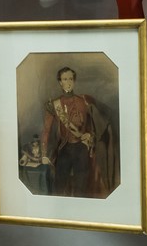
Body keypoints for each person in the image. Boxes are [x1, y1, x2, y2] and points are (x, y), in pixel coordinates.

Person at [40, 67, 112, 197]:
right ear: (60, 82)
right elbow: (46, 130)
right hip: (64, 149)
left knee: (82, 187)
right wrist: (44, 154)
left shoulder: (83, 101)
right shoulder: (54, 105)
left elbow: (92, 126)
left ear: (74, 81)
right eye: (65, 79)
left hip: (81, 149)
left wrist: (89, 135)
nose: (68, 82)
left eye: (71, 79)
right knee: (59, 186)